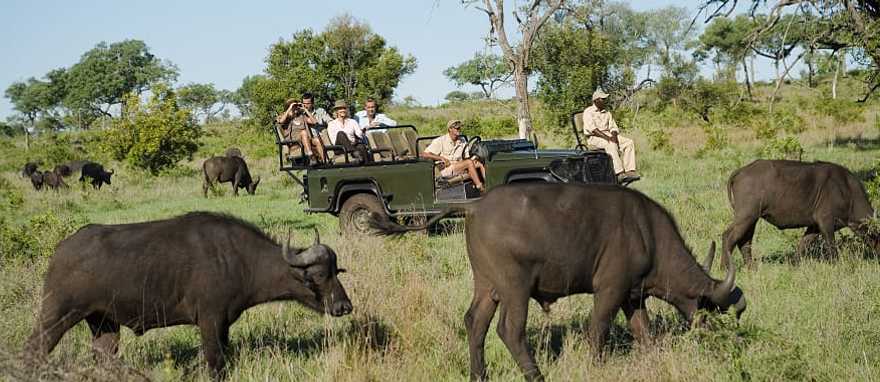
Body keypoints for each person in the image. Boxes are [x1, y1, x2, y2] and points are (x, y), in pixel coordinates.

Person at [582, 88, 639, 182]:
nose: (605, 101)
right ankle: (619, 173)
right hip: (594, 138)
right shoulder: (588, 112)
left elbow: (613, 127)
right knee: (611, 145)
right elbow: (593, 129)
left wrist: (614, 136)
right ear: (596, 100)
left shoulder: (607, 112)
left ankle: (630, 171)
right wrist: (609, 138)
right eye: (602, 99)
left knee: (629, 142)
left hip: (608, 135)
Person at [421, 120, 486, 192]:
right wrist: (441, 158)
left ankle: (488, 184)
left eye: (459, 128)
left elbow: (466, 157)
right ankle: (480, 187)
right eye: (457, 128)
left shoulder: (462, 140)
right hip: (446, 168)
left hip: (459, 165)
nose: (459, 130)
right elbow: (424, 154)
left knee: (479, 163)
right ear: (450, 129)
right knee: (469, 163)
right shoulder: (440, 141)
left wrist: (474, 158)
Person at [275, 98, 323, 163]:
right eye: (294, 106)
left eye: (297, 106)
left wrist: (305, 110)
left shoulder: (301, 116)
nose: (296, 108)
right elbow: (280, 122)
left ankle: (324, 160)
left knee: (317, 140)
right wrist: (290, 108)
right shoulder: (285, 117)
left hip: (306, 140)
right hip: (295, 142)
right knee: (303, 132)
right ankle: (311, 156)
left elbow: (314, 122)